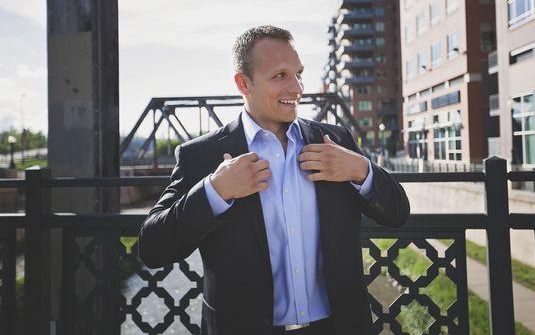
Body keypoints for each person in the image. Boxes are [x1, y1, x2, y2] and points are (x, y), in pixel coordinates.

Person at [138, 25, 410, 335]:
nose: (296, 88)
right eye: (280, 76)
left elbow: (398, 213)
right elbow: (153, 248)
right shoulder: (201, 155)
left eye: (298, 73)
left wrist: (362, 169)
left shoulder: (334, 140)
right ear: (244, 83)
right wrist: (216, 190)